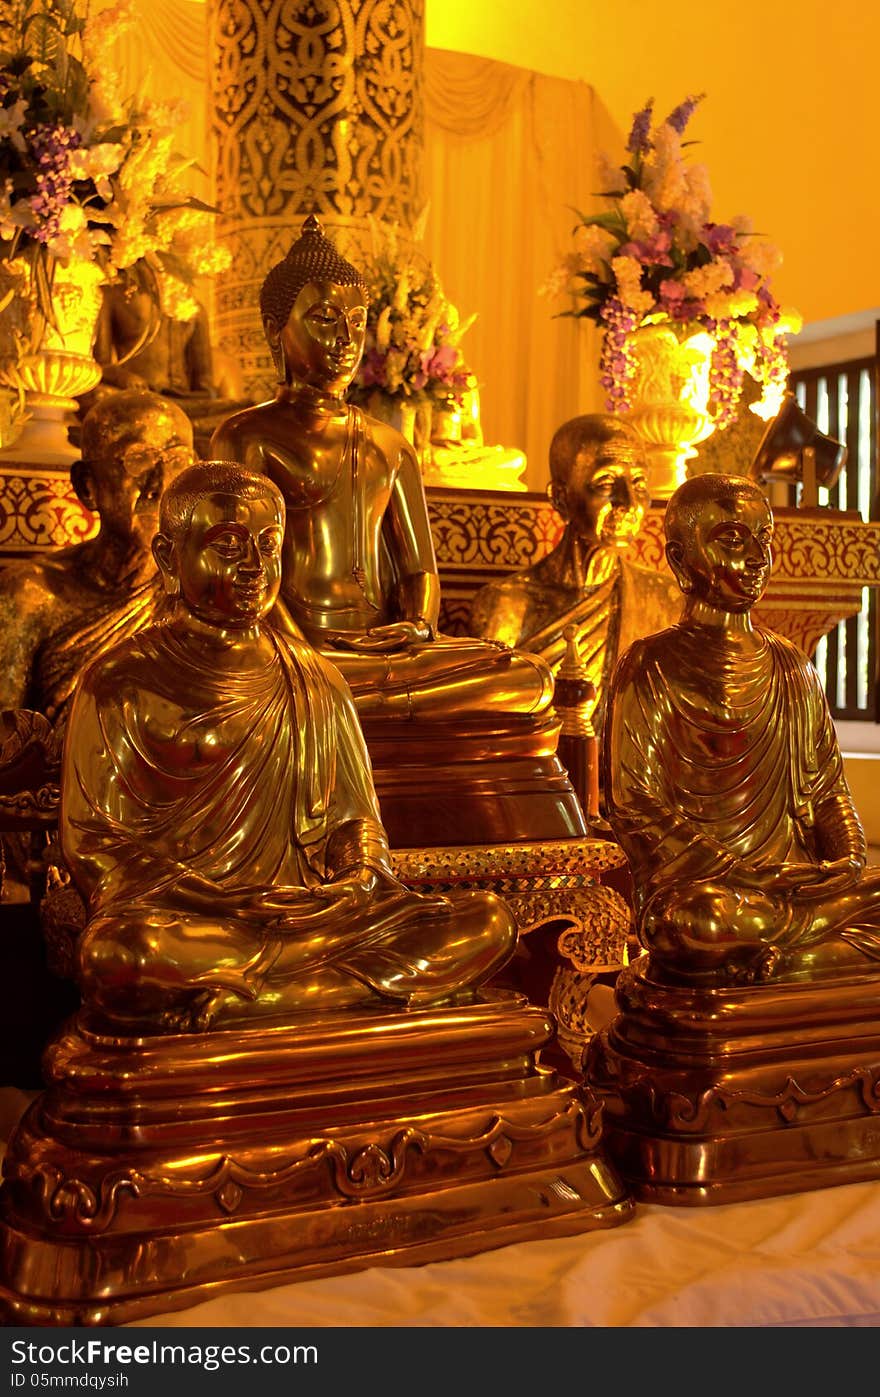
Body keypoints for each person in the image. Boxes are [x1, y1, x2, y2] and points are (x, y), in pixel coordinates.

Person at [61, 461, 517, 1032]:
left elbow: (356, 818)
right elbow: (97, 847)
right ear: (169, 558)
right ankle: (326, 991)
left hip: (315, 918)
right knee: (122, 956)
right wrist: (219, 902)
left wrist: (357, 880)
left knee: (488, 921)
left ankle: (266, 999)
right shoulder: (121, 679)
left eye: (268, 545)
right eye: (228, 546)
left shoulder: (313, 675)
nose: (254, 567)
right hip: (197, 920)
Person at [210, 214, 552, 723]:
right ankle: (341, 693)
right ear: (274, 332)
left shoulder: (389, 445)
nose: (346, 339)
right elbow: (236, 567)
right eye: (324, 319)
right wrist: (302, 653)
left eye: (356, 321)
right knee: (290, 681)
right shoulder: (246, 437)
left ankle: (359, 695)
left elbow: (420, 570)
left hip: (388, 654)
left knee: (526, 678)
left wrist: (416, 625)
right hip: (288, 646)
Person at [605, 471, 880, 985]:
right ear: (680, 559)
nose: (756, 557)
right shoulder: (650, 664)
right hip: (712, 890)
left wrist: (845, 860)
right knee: (693, 924)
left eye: (764, 539)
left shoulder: (792, 666)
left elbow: (827, 790)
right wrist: (738, 869)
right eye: (732, 539)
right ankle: (803, 953)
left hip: (798, 884)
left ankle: (783, 956)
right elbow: (631, 802)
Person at [470, 414, 680, 743]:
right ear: (560, 497)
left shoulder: (664, 600)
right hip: (538, 782)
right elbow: (488, 734)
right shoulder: (507, 606)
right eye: (606, 485)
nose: (627, 503)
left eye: (638, 483)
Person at [0, 390, 194, 723]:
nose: (160, 485)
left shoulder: (207, 592)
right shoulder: (31, 595)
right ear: (87, 486)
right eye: (139, 460)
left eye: (178, 462)